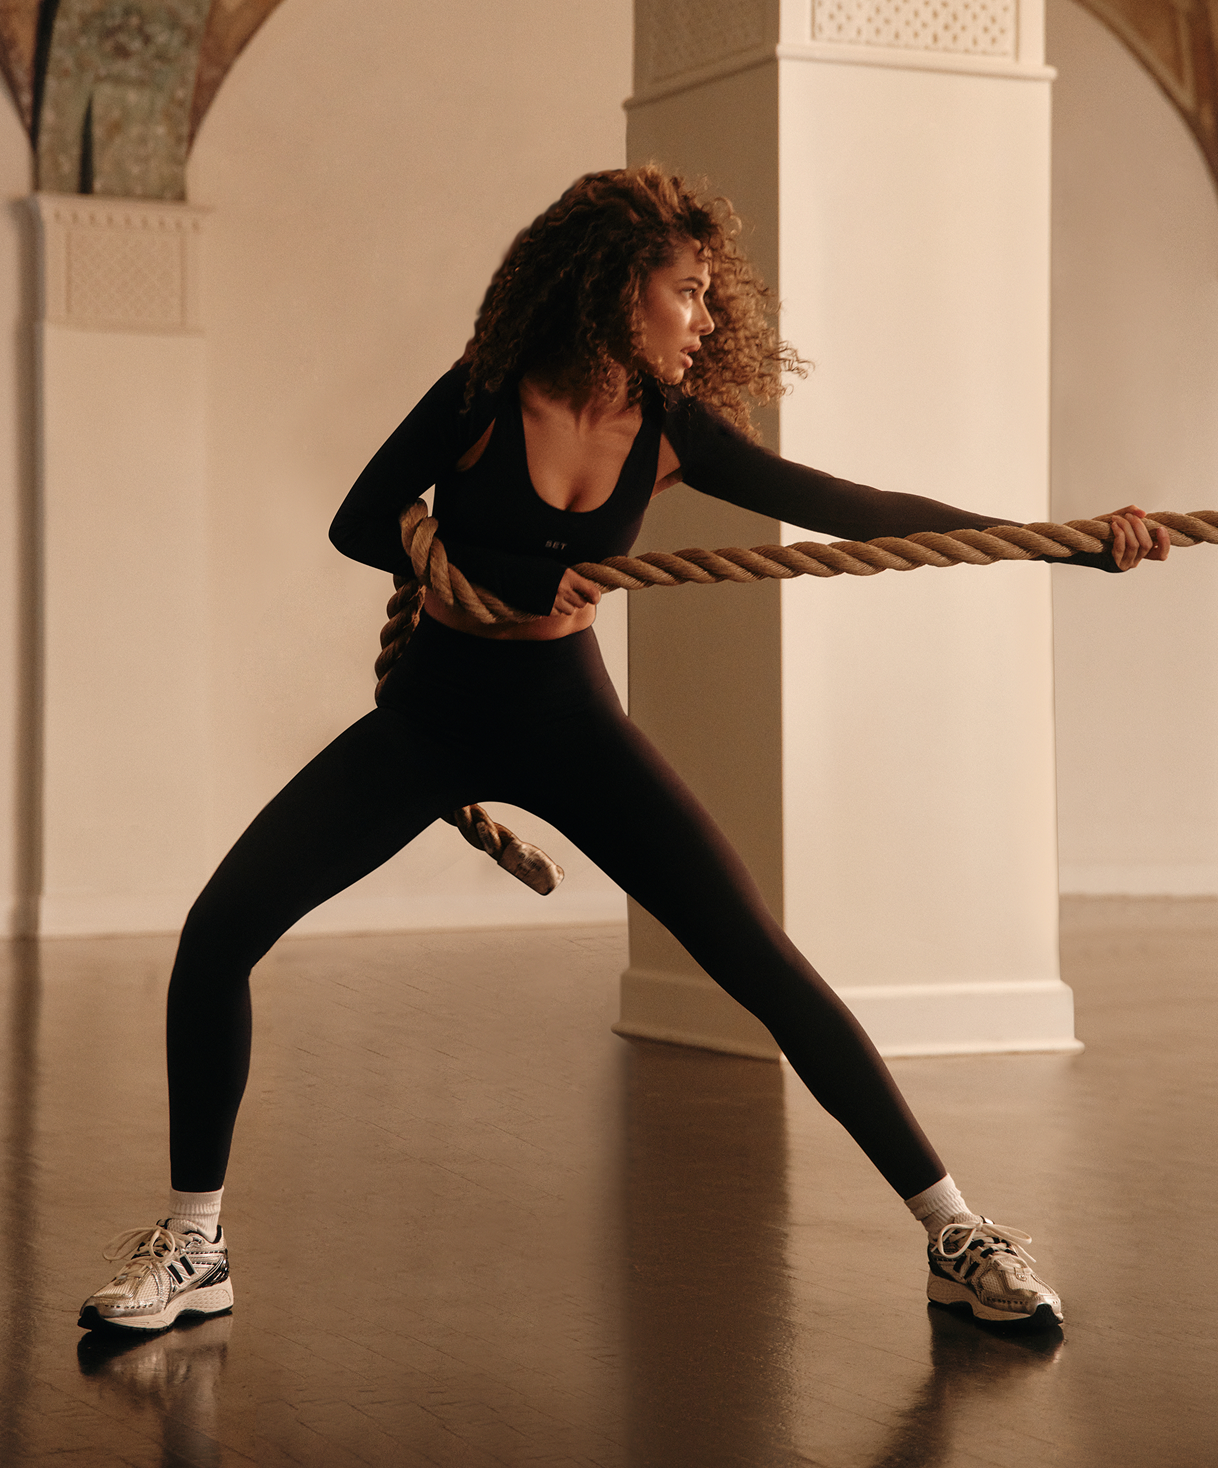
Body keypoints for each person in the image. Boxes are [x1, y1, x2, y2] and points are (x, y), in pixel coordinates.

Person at [79, 167, 1169, 1336]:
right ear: (613, 290)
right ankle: (197, 1240)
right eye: (687, 292)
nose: (706, 320)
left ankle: (955, 1233)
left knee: (764, 966)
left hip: (569, 721)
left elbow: (853, 507)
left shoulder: (671, 428)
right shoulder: (484, 395)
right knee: (219, 933)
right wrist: (492, 580)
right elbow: (359, 522)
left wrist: (1069, 545)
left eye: (710, 295)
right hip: (433, 720)